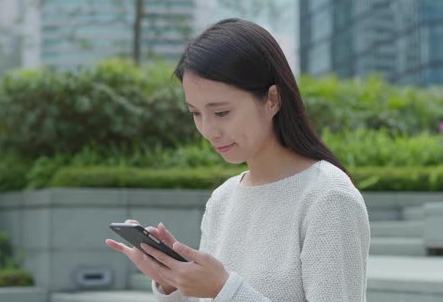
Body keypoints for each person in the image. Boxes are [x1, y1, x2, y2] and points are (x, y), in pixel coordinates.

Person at [105, 18, 370, 302]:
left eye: (221, 113)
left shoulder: (328, 197)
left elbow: (224, 294)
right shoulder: (224, 198)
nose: (208, 130)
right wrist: (173, 284)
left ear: (271, 99)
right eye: (195, 113)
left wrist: (224, 290)